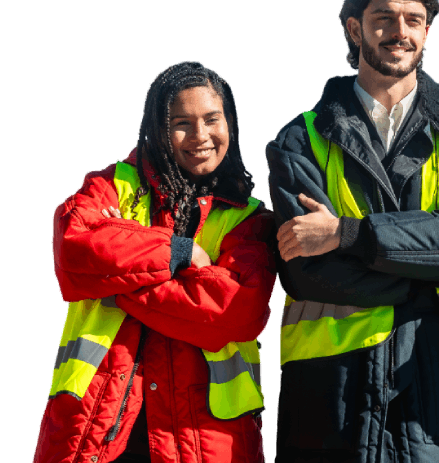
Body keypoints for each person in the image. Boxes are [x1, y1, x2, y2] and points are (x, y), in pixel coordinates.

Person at [266, 0, 439, 462]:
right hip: (331, 398)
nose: (400, 32)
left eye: (414, 20)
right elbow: (306, 270)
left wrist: (347, 234)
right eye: (384, 18)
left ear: (427, 32)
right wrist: (427, 273)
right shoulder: (299, 138)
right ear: (355, 29)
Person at [36, 61, 276, 463]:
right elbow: (74, 249)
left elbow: (236, 312)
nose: (200, 136)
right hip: (92, 431)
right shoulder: (112, 184)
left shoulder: (249, 217)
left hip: (207, 441)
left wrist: (117, 281)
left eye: (212, 119)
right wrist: (178, 252)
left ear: (231, 123)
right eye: (181, 123)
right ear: (158, 129)